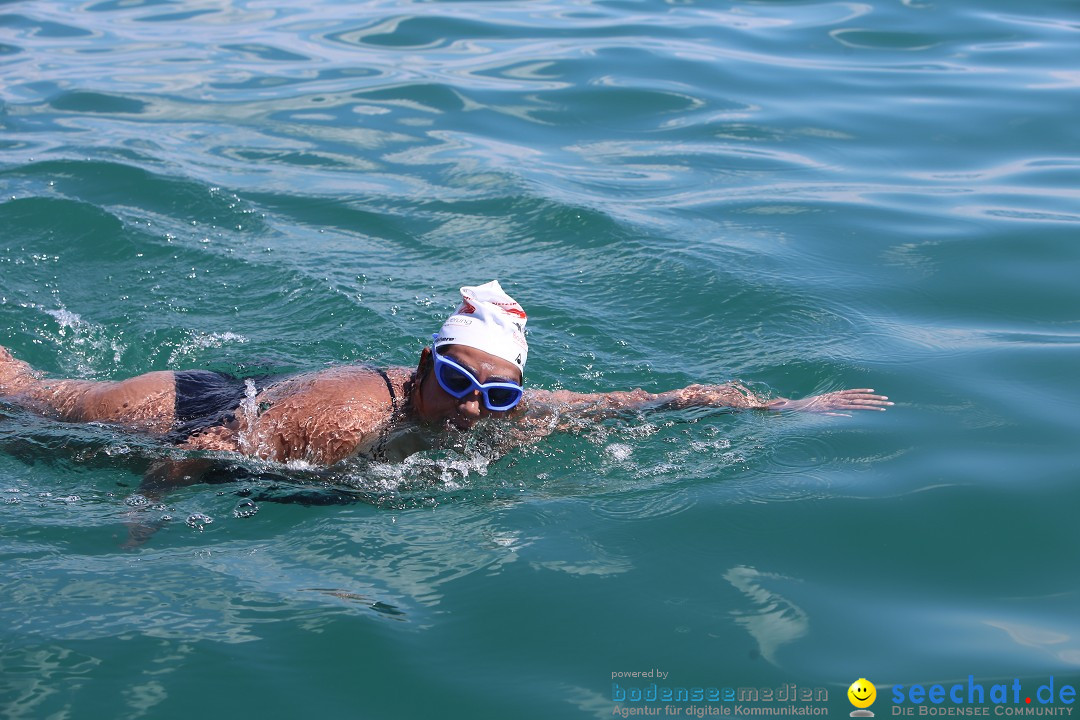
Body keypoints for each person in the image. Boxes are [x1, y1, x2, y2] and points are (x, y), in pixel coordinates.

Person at [0, 281, 892, 469]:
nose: (474, 410)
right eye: (459, 384)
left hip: (278, 396)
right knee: (27, 397)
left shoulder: (503, 407)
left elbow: (647, 400)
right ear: (427, 364)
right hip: (189, 405)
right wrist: (144, 516)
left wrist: (783, 406)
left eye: (495, 394)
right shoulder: (344, 425)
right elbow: (202, 445)